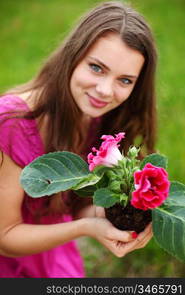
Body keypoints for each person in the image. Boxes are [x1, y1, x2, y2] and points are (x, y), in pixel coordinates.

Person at [0, 1, 157, 278]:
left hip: (53, 256)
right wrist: (87, 228)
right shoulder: (11, 125)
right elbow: (5, 236)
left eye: (125, 80)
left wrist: (109, 216)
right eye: (96, 67)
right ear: (72, 57)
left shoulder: (98, 117)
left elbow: (76, 205)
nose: (105, 91)